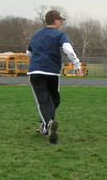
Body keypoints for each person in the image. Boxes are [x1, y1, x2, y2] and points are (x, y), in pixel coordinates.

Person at [27, 10, 82, 144]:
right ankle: (46, 125)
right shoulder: (60, 34)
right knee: (54, 99)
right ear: (56, 21)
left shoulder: (36, 34)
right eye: (60, 21)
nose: (61, 24)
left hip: (36, 72)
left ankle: (46, 125)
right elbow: (68, 50)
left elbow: (28, 52)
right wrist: (76, 65)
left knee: (44, 101)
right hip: (52, 72)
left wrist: (37, 59)